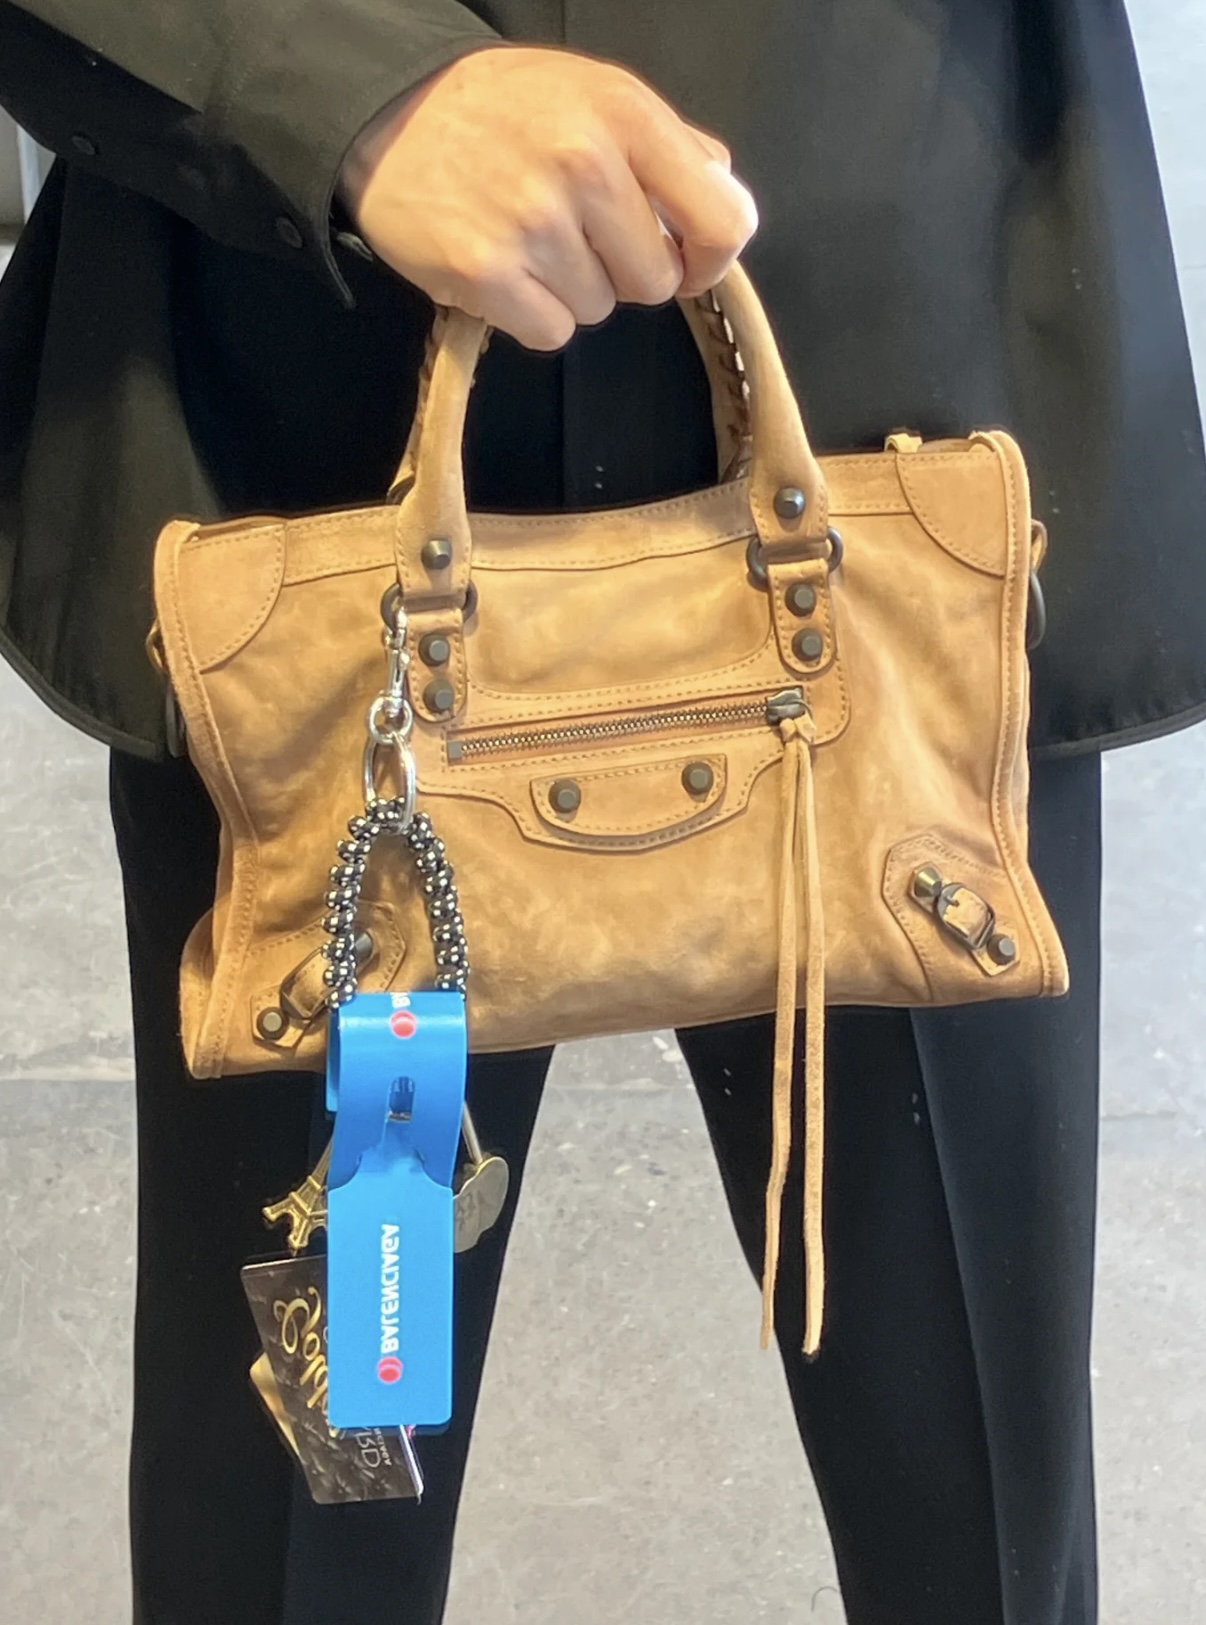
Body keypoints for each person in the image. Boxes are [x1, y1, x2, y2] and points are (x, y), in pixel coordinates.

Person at [1, 5, 1204, 1623]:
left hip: (884, 484)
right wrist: (332, 75)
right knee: (312, 1482)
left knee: (972, 1520)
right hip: (321, 481)